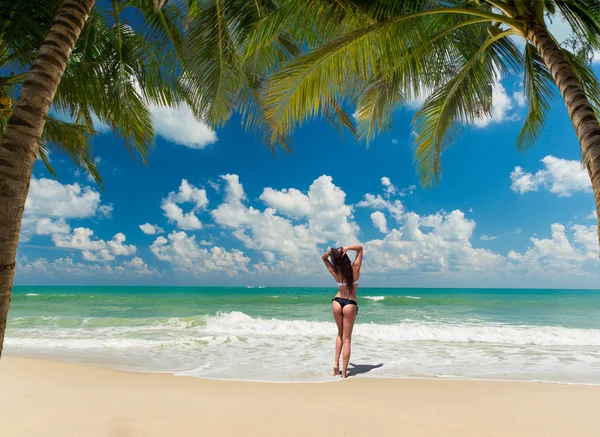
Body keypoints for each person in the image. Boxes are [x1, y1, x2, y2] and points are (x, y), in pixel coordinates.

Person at [321, 244, 363, 378]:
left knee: (339, 333)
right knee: (347, 340)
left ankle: (335, 364)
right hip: (350, 303)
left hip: (337, 301)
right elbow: (360, 248)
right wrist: (347, 248)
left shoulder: (335, 272)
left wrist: (331, 252)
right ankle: (344, 373)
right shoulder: (355, 269)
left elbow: (323, 258)